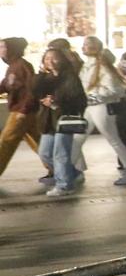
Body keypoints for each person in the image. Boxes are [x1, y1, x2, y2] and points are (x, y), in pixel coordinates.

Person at [79, 38, 126, 186]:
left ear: (94, 48)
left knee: (113, 139)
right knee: (77, 138)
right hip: (91, 106)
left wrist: (92, 96)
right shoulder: (87, 66)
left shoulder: (102, 68)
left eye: (87, 45)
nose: (83, 47)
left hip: (101, 107)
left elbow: (114, 90)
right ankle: (72, 171)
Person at [34, 49, 87, 197]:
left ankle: (64, 185)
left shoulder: (70, 77)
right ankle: (72, 173)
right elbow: (33, 91)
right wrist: (40, 73)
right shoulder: (46, 78)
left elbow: (78, 100)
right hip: (49, 121)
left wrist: (55, 103)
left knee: (61, 154)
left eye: (54, 58)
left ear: (62, 60)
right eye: (47, 58)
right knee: (44, 153)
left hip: (64, 120)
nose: (50, 61)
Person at [0, 37, 40, 179]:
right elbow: (6, 85)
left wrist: (24, 109)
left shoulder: (22, 66)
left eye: (3, 47)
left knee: (6, 141)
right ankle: (60, 169)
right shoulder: (13, 66)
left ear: (12, 49)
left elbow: (31, 90)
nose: (0, 50)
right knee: (38, 141)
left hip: (21, 111)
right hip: (23, 111)